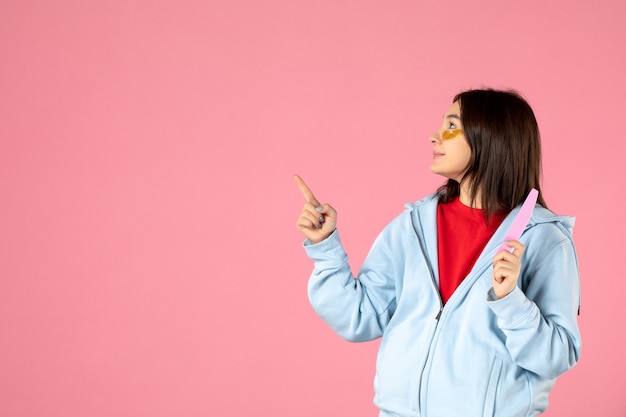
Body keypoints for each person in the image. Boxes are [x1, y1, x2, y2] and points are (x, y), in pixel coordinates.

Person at [294, 88, 581, 417]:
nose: (434, 137)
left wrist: (510, 301)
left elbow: (557, 356)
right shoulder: (413, 226)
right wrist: (325, 247)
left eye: (451, 127)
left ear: (490, 138)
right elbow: (359, 316)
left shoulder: (544, 240)